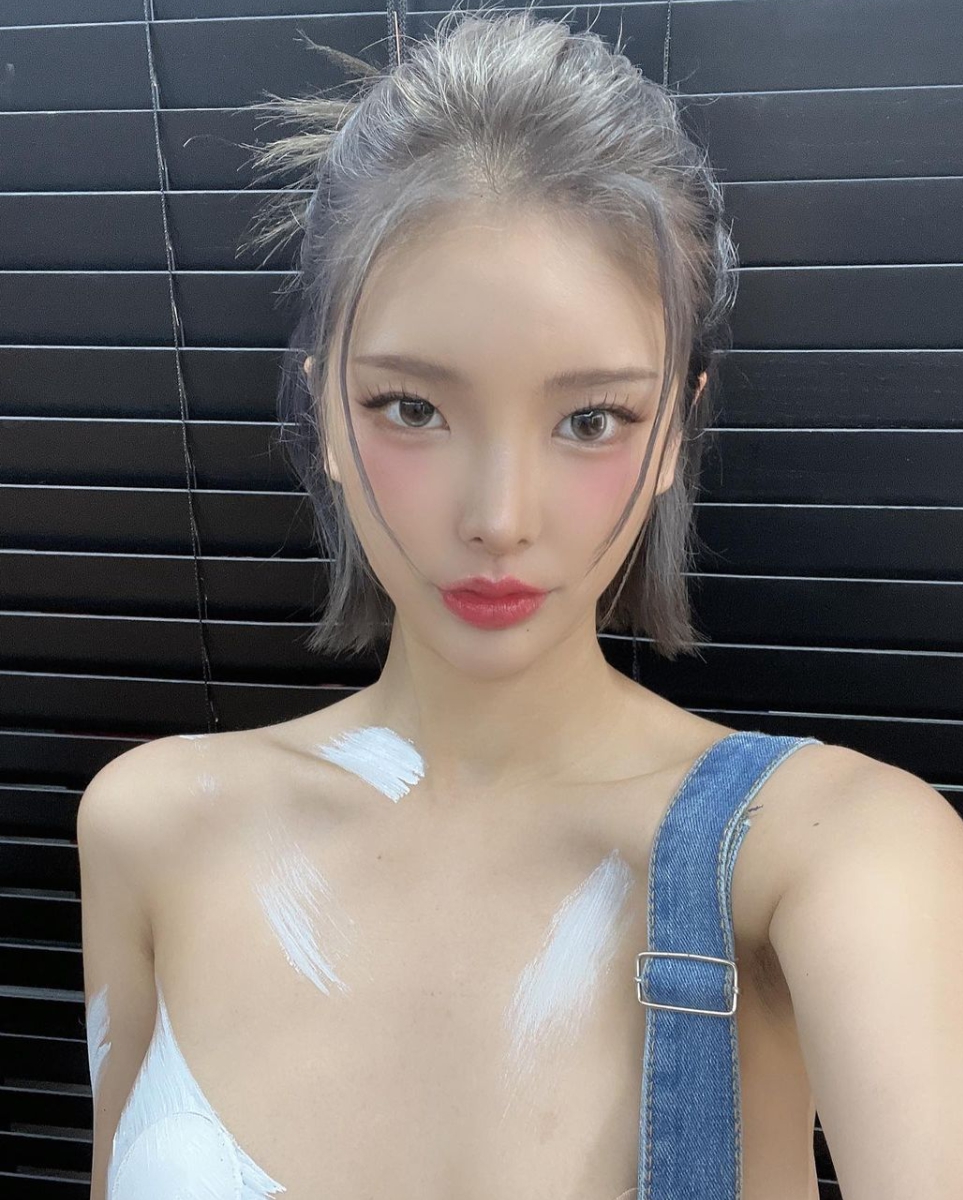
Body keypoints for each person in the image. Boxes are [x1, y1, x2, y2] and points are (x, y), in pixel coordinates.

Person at [77, 6, 963, 1199]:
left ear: (675, 433)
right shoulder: (150, 828)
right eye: (412, 408)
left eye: (591, 419)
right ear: (324, 410)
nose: (499, 515)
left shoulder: (830, 858)